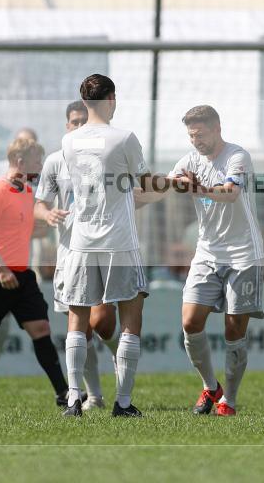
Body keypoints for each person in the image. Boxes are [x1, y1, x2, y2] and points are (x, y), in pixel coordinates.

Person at [59, 74, 166, 418]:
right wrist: (175, 183)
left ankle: (74, 400)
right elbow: (147, 184)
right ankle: (122, 403)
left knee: (77, 320)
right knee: (130, 320)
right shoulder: (124, 138)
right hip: (119, 240)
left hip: (81, 241)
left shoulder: (68, 142)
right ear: (111, 99)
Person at [0, 138, 72, 409]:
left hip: (22, 276)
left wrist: (48, 217)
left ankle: (63, 394)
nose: (40, 166)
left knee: (41, 329)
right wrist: (1, 268)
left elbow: (29, 225)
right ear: (20, 161)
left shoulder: (27, 193)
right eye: (36, 161)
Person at [168, 105, 264, 416]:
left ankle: (230, 402)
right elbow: (171, 181)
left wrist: (199, 188)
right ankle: (211, 387)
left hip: (243, 254)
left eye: (200, 134)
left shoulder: (238, 156)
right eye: (191, 135)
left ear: (217, 128)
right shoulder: (190, 160)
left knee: (234, 329)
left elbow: (230, 193)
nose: (196, 141)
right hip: (207, 252)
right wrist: (168, 183)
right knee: (189, 322)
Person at [35, 100, 121, 411]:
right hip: (69, 254)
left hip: (102, 250)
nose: (79, 125)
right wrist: (46, 214)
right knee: (81, 330)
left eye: (84, 120)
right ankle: (95, 396)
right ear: (67, 125)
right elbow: (40, 202)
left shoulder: (109, 157)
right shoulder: (55, 161)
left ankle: (119, 353)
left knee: (101, 322)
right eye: (74, 121)